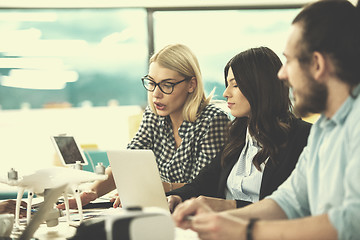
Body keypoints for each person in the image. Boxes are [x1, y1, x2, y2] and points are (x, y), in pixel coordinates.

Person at [173, 1, 360, 239]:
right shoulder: (326, 128)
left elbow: (353, 222)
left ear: (317, 64)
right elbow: (288, 201)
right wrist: (220, 220)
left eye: (290, 61)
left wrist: (246, 230)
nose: (282, 74)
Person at [57, 43, 229, 209]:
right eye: (152, 83)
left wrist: (148, 189)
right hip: (160, 209)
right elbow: (126, 163)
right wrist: (91, 192)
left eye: (167, 85)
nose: (156, 94)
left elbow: (205, 187)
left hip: (196, 214)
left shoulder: (213, 120)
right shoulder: (154, 115)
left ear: (191, 84)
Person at [167, 47, 311, 213]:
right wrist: (177, 196)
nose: (226, 93)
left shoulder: (303, 138)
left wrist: (230, 205)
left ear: (260, 87)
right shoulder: (239, 136)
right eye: (227, 84)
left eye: (234, 85)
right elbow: (205, 180)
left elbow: (294, 208)